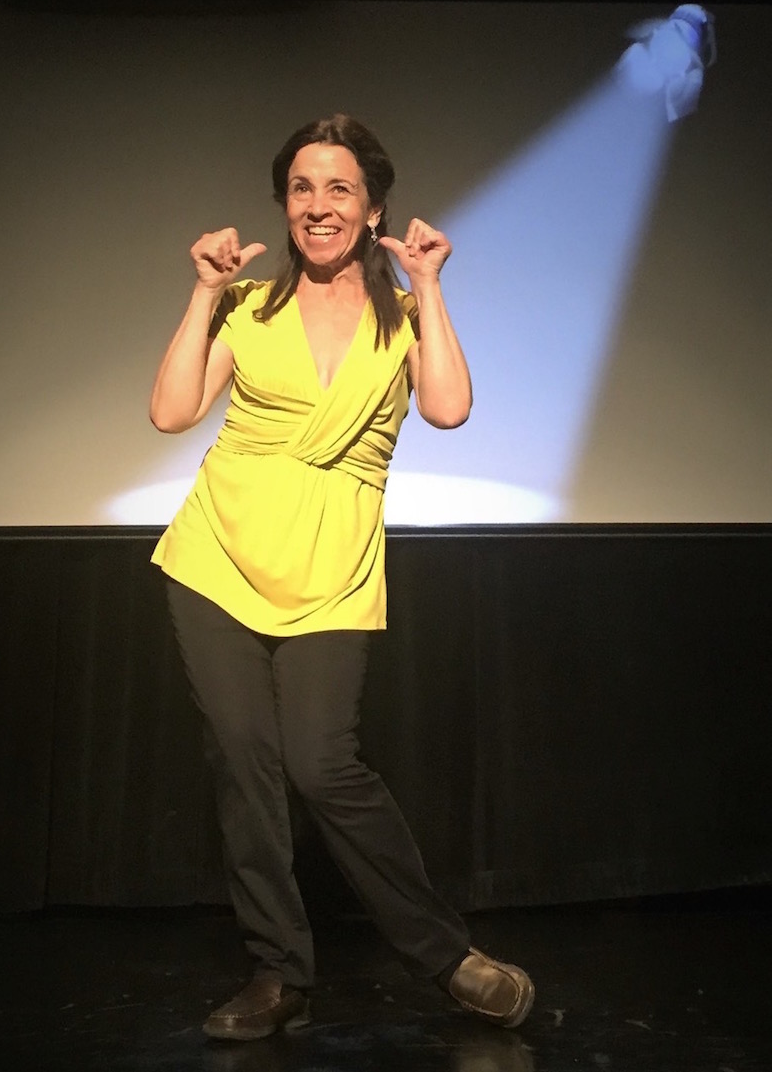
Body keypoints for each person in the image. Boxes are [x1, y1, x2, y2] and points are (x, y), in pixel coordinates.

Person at [149, 113, 534, 1041]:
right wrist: (202, 297)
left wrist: (430, 285)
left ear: (372, 211)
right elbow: (170, 413)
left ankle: (448, 956)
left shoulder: (402, 318)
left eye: (339, 190)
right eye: (302, 189)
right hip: (217, 556)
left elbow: (447, 409)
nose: (318, 206)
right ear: (285, 207)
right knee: (245, 762)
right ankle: (279, 972)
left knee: (324, 763)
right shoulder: (248, 307)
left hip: (333, 564)